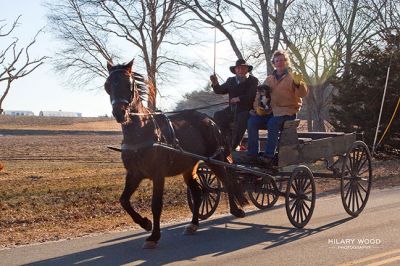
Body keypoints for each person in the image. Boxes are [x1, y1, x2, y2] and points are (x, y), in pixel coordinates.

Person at [247, 50, 308, 165]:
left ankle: (269, 156)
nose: (279, 62)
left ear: (286, 62)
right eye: (277, 60)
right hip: (271, 112)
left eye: (282, 60)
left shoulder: (293, 77)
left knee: (273, 123)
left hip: (288, 112)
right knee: (252, 121)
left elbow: (302, 94)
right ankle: (252, 154)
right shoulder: (269, 79)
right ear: (273, 63)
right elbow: (258, 95)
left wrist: (299, 84)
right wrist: (257, 108)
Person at [210, 59, 258, 150]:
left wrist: (239, 98)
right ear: (235, 70)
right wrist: (215, 83)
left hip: (247, 110)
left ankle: (233, 146)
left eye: (243, 68)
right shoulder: (230, 80)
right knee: (218, 115)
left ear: (247, 69)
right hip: (232, 109)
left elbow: (252, 96)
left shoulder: (253, 80)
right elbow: (219, 90)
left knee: (241, 118)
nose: (240, 70)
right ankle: (222, 141)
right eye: (238, 68)